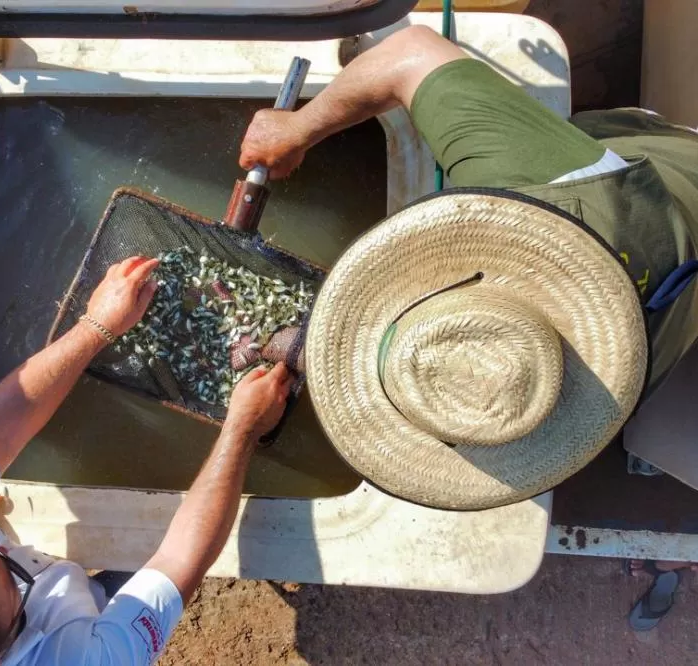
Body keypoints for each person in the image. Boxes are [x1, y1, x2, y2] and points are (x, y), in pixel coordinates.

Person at [239, 25, 698, 630]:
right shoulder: (544, 190)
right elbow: (410, 53)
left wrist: (298, 129)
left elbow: (406, 49)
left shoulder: (543, 186)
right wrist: (296, 128)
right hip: (672, 220)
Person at [0, 255, 293, 665]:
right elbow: (178, 561)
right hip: (76, 628)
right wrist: (242, 430)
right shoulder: (80, 659)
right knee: (155, 568)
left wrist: (96, 327)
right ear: (6, 646)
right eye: (6, 569)